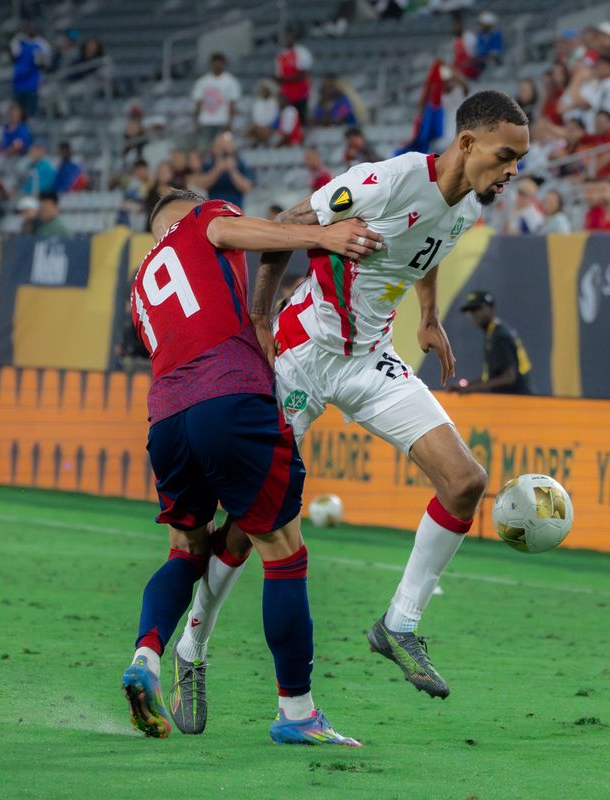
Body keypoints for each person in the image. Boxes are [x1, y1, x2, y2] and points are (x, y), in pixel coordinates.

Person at [175, 91, 529, 713]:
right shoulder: (385, 181)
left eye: (519, 161)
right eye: (506, 157)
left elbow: (428, 249)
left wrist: (428, 316)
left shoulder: (469, 204)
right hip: (301, 355)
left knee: (466, 483)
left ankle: (399, 624)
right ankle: (190, 649)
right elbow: (286, 222)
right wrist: (260, 315)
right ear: (468, 144)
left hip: (369, 359)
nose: (513, 173)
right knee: (247, 528)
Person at [122, 188, 381, 745]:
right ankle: (297, 715)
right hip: (231, 396)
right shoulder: (205, 217)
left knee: (185, 551)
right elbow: (239, 233)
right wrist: (321, 235)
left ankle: (147, 655)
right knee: (283, 553)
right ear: (189, 211)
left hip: (166, 419)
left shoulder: (142, 283)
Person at [453, 291, 532, 395]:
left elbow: (509, 377)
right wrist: (468, 386)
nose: (473, 314)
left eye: (477, 309)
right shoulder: (492, 333)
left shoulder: (500, 335)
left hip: (518, 400)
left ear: (490, 308)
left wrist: (472, 389)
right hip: (512, 399)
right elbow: (491, 377)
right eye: (471, 311)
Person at [192, 53, 241, 146]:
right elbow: (198, 102)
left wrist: (230, 122)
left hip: (223, 121)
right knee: (206, 148)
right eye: (215, 62)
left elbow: (232, 104)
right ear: (211, 63)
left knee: (223, 149)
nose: (218, 65)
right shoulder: (202, 81)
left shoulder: (230, 81)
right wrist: (196, 121)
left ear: (224, 63)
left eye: (220, 62)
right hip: (206, 121)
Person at [198, 131, 254, 209]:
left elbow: (246, 187)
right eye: (220, 146)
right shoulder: (209, 163)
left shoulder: (240, 163)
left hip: (235, 209)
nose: (223, 150)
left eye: (226, 146)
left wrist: (233, 170)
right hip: (214, 209)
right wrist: (217, 169)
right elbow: (201, 185)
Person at [9, 20, 50, 118]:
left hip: (32, 84)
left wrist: (40, 61)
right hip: (18, 82)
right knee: (18, 110)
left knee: (31, 110)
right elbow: (13, 57)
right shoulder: (18, 41)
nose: (29, 29)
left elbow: (45, 65)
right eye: (27, 27)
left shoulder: (42, 44)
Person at [275, 27, 312, 122]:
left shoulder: (301, 52)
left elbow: (302, 75)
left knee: (301, 117)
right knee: (288, 118)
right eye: (286, 38)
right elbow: (279, 76)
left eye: (290, 37)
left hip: (300, 91)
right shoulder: (281, 55)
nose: (287, 40)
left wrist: (285, 79)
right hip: (287, 93)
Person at [246, 80, 280, 144]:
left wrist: (263, 126)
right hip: (258, 126)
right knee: (251, 129)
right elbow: (255, 116)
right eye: (262, 90)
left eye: (265, 90)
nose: (263, 92)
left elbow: (273, 118)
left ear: (269, 91)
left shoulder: (274, 103)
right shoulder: (258, 103)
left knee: (253, 129)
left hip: (269, 128)